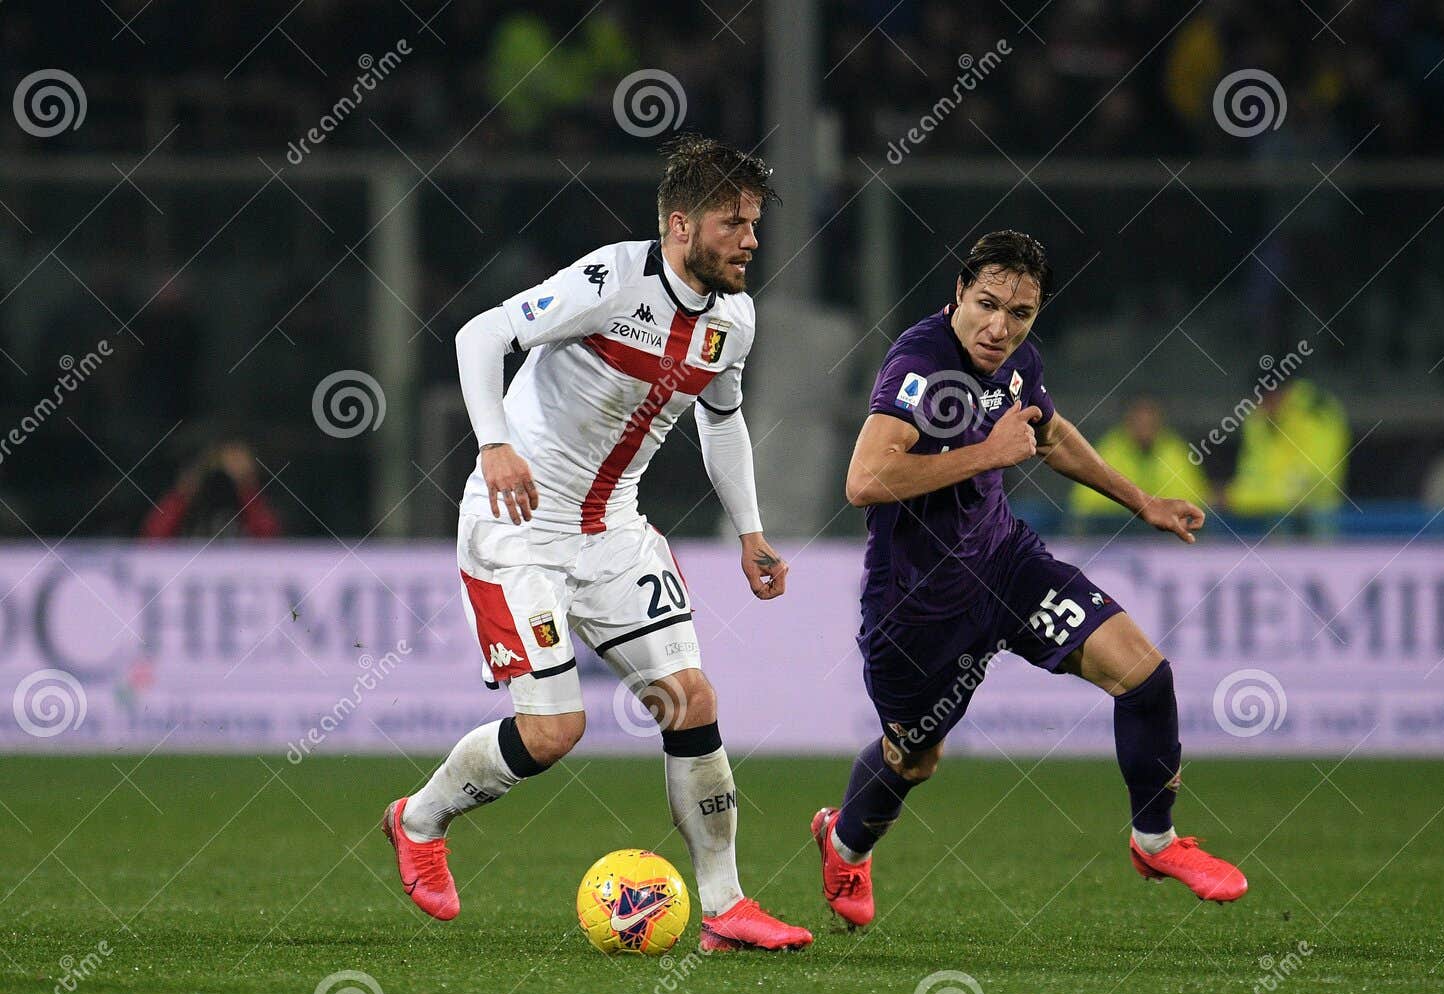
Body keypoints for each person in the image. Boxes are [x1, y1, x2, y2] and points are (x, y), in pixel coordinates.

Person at [385, 135, 811, 950]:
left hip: (614, 530)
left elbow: (722, 422)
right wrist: (492, 442)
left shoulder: (735, 320)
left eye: (754, 223)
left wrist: (751, 533)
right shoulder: (611, 281)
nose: (751, 241)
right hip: (518, 530)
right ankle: (419, 818)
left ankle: (723, 909)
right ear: (681, 226)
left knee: (692, 701)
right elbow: (481, 335)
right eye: (734, 223)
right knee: (553, 733)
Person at [812, 230, 1247, 929]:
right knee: (914, 757)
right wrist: (986, 451)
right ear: (958, 292)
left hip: (1007, 564)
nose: (1000, 326)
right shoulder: (919, 362)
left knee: (1145, 674)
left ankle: (1155, 840)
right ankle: (844, 842)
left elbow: (1048, 432)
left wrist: (1143, 500)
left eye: (1021, 313)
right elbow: (865, 480)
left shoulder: (1016, 361)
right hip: (917, 603)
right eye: (987, 304)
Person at [1222, 376, 1349, 533]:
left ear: (1283, 392)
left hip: (1317, 511)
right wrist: (1238, 494)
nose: (1262, 408)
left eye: (1267, 400)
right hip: (1274, 513)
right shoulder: (1258, 417)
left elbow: (1311, 478)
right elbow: (1252, 470)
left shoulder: (1316, 411)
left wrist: (1238, 498)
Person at [1071, 397, 1206, 527]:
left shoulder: (1174, 450)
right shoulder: (1110, 448)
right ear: (1127, 420)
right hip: (1116, 539)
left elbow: (1191, 504)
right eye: (1138, 420)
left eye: (1150, 420)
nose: (1144, 426)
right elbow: (1086, 506)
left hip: (1166, 540)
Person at [140, 442, 282, 539]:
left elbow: (270, 544)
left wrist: (246, 487)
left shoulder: (251, 504)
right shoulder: (191, 505)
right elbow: (153, 542)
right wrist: (183, 493)